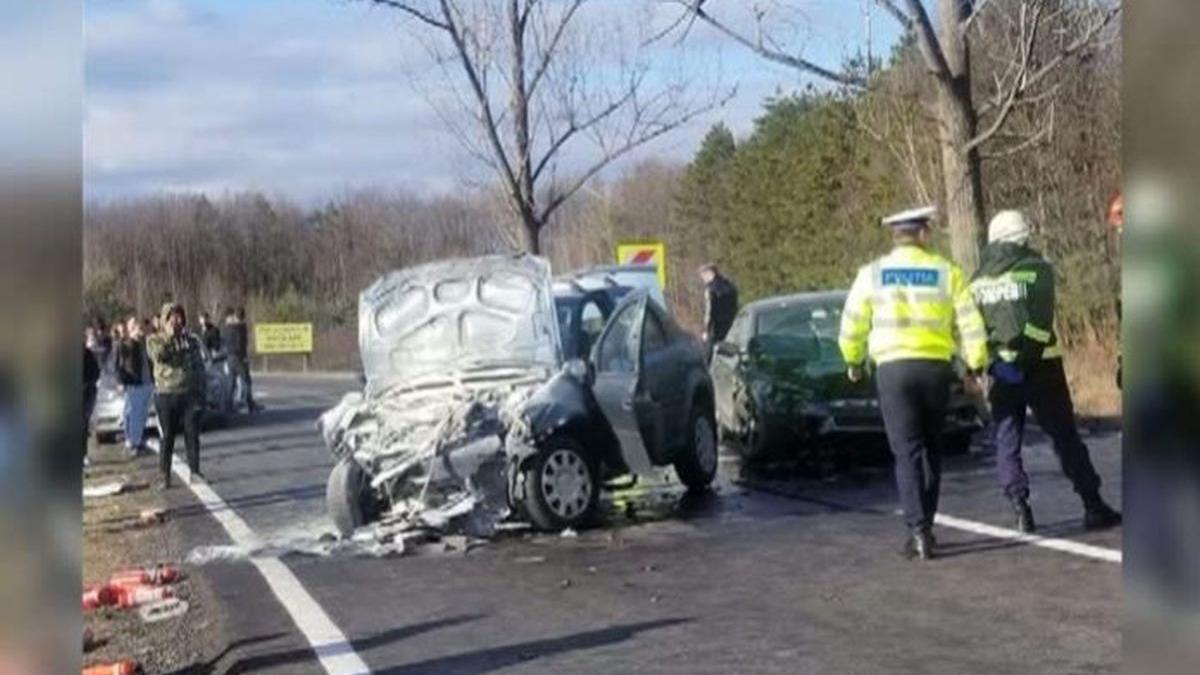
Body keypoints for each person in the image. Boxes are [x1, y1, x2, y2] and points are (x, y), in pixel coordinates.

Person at [839, 206, 989, 560]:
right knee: (931, 449)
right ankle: (929, 524)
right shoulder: (945, 272)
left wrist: (853, 360)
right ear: (923, 234)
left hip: (893, 370)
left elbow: (852, 323)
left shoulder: (872, 274)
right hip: (935, 368)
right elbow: (970, 322)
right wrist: (975, 363)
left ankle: (917, 532)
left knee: (906, 450)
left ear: (895, 236)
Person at [970, 211, 1122, 533]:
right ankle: (1092, 505)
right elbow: (1039, 323)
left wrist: (992, 363)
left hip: (1000, 370)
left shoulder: (977, 280)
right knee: (1065, 437)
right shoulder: (1036, 268)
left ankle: (1020, 509)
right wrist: (1024, 361)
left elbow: (973, 329)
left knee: (1007, 440)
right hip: (1041, 367)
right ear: (1022, 237)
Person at [146, 303, 206, 488]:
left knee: (192, 434)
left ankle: (195, 471)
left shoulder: (191, 340)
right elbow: (160, 356)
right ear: (164, 320)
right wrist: (170, 337)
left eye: (179, 316)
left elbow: (198, 364)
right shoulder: (154, 340)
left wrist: (201, 390)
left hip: (189, 393)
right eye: (171, 317)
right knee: (168, 436)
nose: (176, 321)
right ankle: (164, 474)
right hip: (166, 394)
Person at [117, 315, 154, 456]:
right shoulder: (127, 344)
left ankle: (137, 440)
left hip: (147, 382)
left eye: (140, 327)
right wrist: (122, 381)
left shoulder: (144, 344)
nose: (140, 330)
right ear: (131, 329)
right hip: (135, 384)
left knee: (142, 414)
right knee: (134, 414)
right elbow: (121, 365)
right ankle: (134, 442)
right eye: (136, 327)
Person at [221, 307, 261, 412]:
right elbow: (241, 345)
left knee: (231, 382)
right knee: (246, 381)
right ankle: (250, 403)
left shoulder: (226, 328)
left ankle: (228, 405)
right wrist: (244, 357)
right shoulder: (241, 328)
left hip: (230, 357)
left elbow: (224, 341)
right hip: (239, 357)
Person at [698, 264, 739, 357]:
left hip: (716, 329)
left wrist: (706, 330)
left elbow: (710, 311)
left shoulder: (710, 290)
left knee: (711, 356)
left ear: (709, 273)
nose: (703, 280)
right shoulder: (730, 286)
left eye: (703, 276)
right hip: (733, 326)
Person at [83, 337, 100, 468]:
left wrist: (89, 384)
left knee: (83, 426)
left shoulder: (88, 354)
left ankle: (83, 454)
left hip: (86, 392)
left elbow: (96, 372)